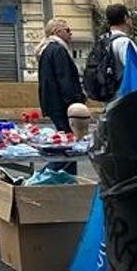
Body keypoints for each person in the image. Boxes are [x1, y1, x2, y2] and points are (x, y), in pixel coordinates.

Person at [37, 19, 86, 173]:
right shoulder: (58, 50)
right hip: (62, 105)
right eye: (67, 29)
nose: (70, 33)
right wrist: (76, 102)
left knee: (66, 143)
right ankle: (53, 175)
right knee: (69, 145)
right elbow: (64, 78)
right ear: (57, 32)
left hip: (53, 104)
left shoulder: (47, 50)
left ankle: (65, 176)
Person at [83, 3, 137, 103]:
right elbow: (134, 71)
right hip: (124, 98)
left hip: (109, 97)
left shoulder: (104, 40)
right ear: (126, 18)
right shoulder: (124, 42)